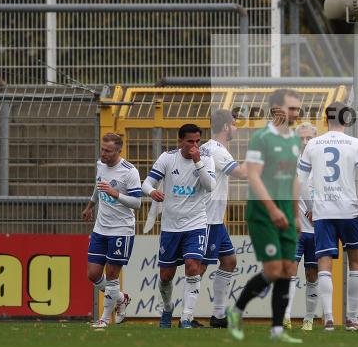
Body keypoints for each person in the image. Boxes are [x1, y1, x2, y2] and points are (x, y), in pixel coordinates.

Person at [226, 88, 303, 343]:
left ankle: (277, 331)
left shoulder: (294, 140)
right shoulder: (261, 138)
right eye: (291, 108)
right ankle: (236, 311)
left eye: (297, 108)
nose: (296, 113)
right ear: (276, 109)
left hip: (285, 213)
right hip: (263, 211)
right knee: (273, 269)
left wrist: (295, 215)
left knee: (288, 269)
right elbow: (254, 176)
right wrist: (273, 209)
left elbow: (293, 179)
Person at [297, 102, 358, 332]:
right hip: (349, 210)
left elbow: (300, 181)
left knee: (324, 263)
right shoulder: (356, 144)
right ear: (347, 119)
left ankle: (328, 318)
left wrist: (310, 206)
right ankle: (352, 318)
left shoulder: (313, 144)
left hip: (323, 212)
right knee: (356, 262)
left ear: (325, 118)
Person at [142, 124, 216, 329]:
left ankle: (186, 318)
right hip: (171, 226)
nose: (195, 145)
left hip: (196, 224)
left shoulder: (205, 159)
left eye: (198, 141)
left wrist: (198, 162)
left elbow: (210, 186)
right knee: (166, 275)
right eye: (190, 141)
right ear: (180, 141)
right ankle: (167, 309)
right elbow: (146, 183)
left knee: (193, 267)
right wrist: (151, 193)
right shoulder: (167, 158)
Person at [82, 133, 142, 328]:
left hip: (121, 230)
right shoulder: (101, 164)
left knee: (112, 273)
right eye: (102, 149)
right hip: (101, 228)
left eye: (108, 151)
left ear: (119, 151)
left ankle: (104, 319)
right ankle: (121, 298)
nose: (103, 153)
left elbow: (137, 202)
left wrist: (116, 194)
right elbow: (99, 186)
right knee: (93, 274)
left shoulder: (129, 171)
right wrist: (91, 205)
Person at [200, 109, 247, 328]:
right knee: (199, 267)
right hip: (208, 217)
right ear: (226, 127)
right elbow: (240, 173)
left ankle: (218, 316)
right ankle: (186, 316)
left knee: (229, 262)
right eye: (235, 124)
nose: (236, 128)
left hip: (215, 219)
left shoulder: (208, 148)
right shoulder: (217, 150)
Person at [283, 122, 320, 331]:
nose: (305, 142)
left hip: (317, 230)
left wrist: (319, 211)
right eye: (301, 138)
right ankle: (286, 316)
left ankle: (308, 319)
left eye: (309, 138)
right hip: (295, 227)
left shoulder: (323, 164)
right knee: (290, 270)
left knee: (312, 274)